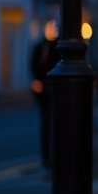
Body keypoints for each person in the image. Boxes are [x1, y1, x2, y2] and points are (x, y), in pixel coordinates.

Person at [30, 25, 60, 169]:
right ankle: (46, 157)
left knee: (52, 122)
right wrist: (37, 82)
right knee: (45, 122)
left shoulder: (57, 47)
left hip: (53, 90)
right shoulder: (39, 47)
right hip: (41, 90)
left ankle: (53, 156)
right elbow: (33, 64)